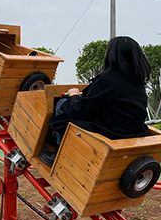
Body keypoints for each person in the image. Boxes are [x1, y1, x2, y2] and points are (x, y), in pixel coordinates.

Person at [40, 36, 151, 167]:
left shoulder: (107, 80)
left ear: (112, 56)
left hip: (111, 132)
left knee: (61, 105)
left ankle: (60, 154)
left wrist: (74, 95)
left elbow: (79, 111)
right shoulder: (138, 84)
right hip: (134, 131)